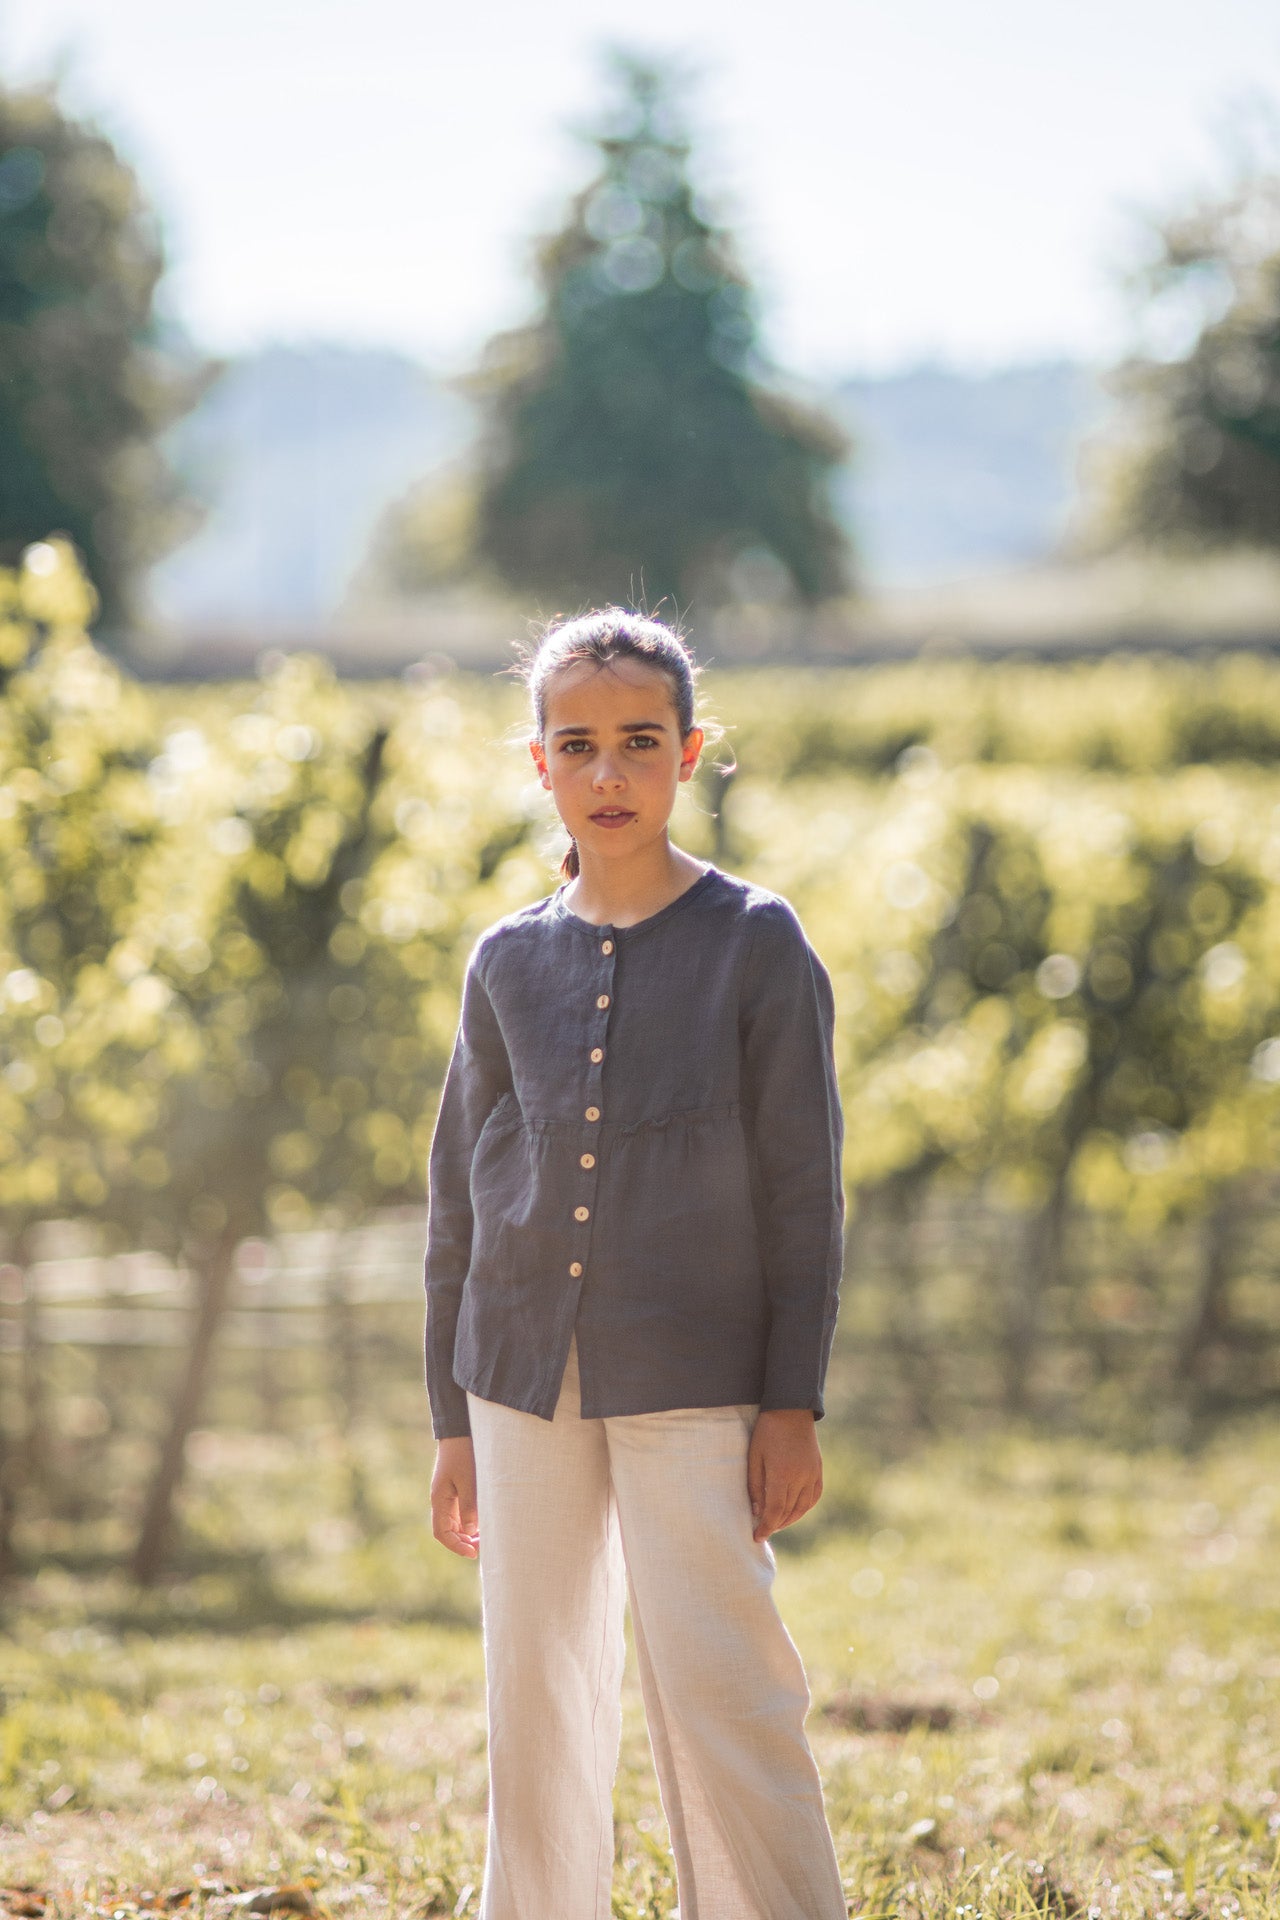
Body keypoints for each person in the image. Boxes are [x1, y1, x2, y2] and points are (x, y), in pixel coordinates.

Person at [424, 608, 848, 1920]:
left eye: (640, 743)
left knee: (726, 1680)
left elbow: (803, 1191)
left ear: (691, 752)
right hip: (515, 1375)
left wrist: (791, 1399)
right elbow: (456, 1197)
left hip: (699, 1372)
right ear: (537, 763)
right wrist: (452, 1421)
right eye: (579, 745)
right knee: (536, 1690)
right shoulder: (505, 960)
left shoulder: (756, 941)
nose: (610, 773)